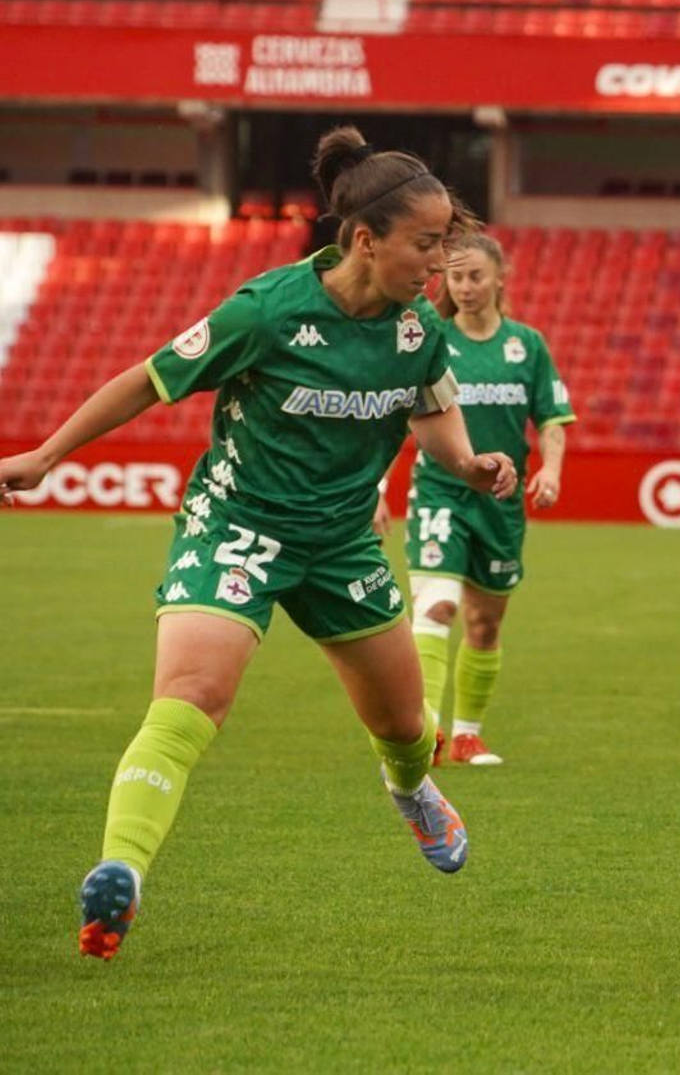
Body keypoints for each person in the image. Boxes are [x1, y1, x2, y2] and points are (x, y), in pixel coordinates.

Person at [0, 127, 518, 961]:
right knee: (191, 696)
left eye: (446, 245)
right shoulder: (268, 310)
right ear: (363, 239)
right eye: (426, 244)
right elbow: (149, 377)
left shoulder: (419, 332)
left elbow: (436, 417)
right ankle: (119, 873)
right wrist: (46, 455)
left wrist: (471, 460)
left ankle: (410, 785)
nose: (438, 263)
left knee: (403, 725)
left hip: (344, 545)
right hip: (236, 526)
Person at [374, 232, 575, 766]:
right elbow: (394, 416)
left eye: (474, 276)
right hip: (441, 491)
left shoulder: (526, 346)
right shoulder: (433, 339)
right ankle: (426, 733)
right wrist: (375, 488)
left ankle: (467, 735)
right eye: (456, 277)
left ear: (498, 279)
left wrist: (551, 470)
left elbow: (552, 418)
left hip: (502, 501)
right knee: (438, 606)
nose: (464, 287)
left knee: (485, 625)